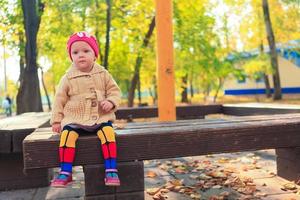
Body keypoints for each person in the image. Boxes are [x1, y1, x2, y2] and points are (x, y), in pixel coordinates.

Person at [50, 31, 121, 187]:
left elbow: (115, 91)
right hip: (75, 118)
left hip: (100, 117)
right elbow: (59, 99)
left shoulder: (103, 74)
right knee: (67, 136)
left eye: (86, 51)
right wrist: (56, 120)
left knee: (108, 134)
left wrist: (111, 101)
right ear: (71, 56)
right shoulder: (67, 77)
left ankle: (111, 169)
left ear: (94, 55)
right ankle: (65, 172)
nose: (80, 55)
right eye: (75, 52)